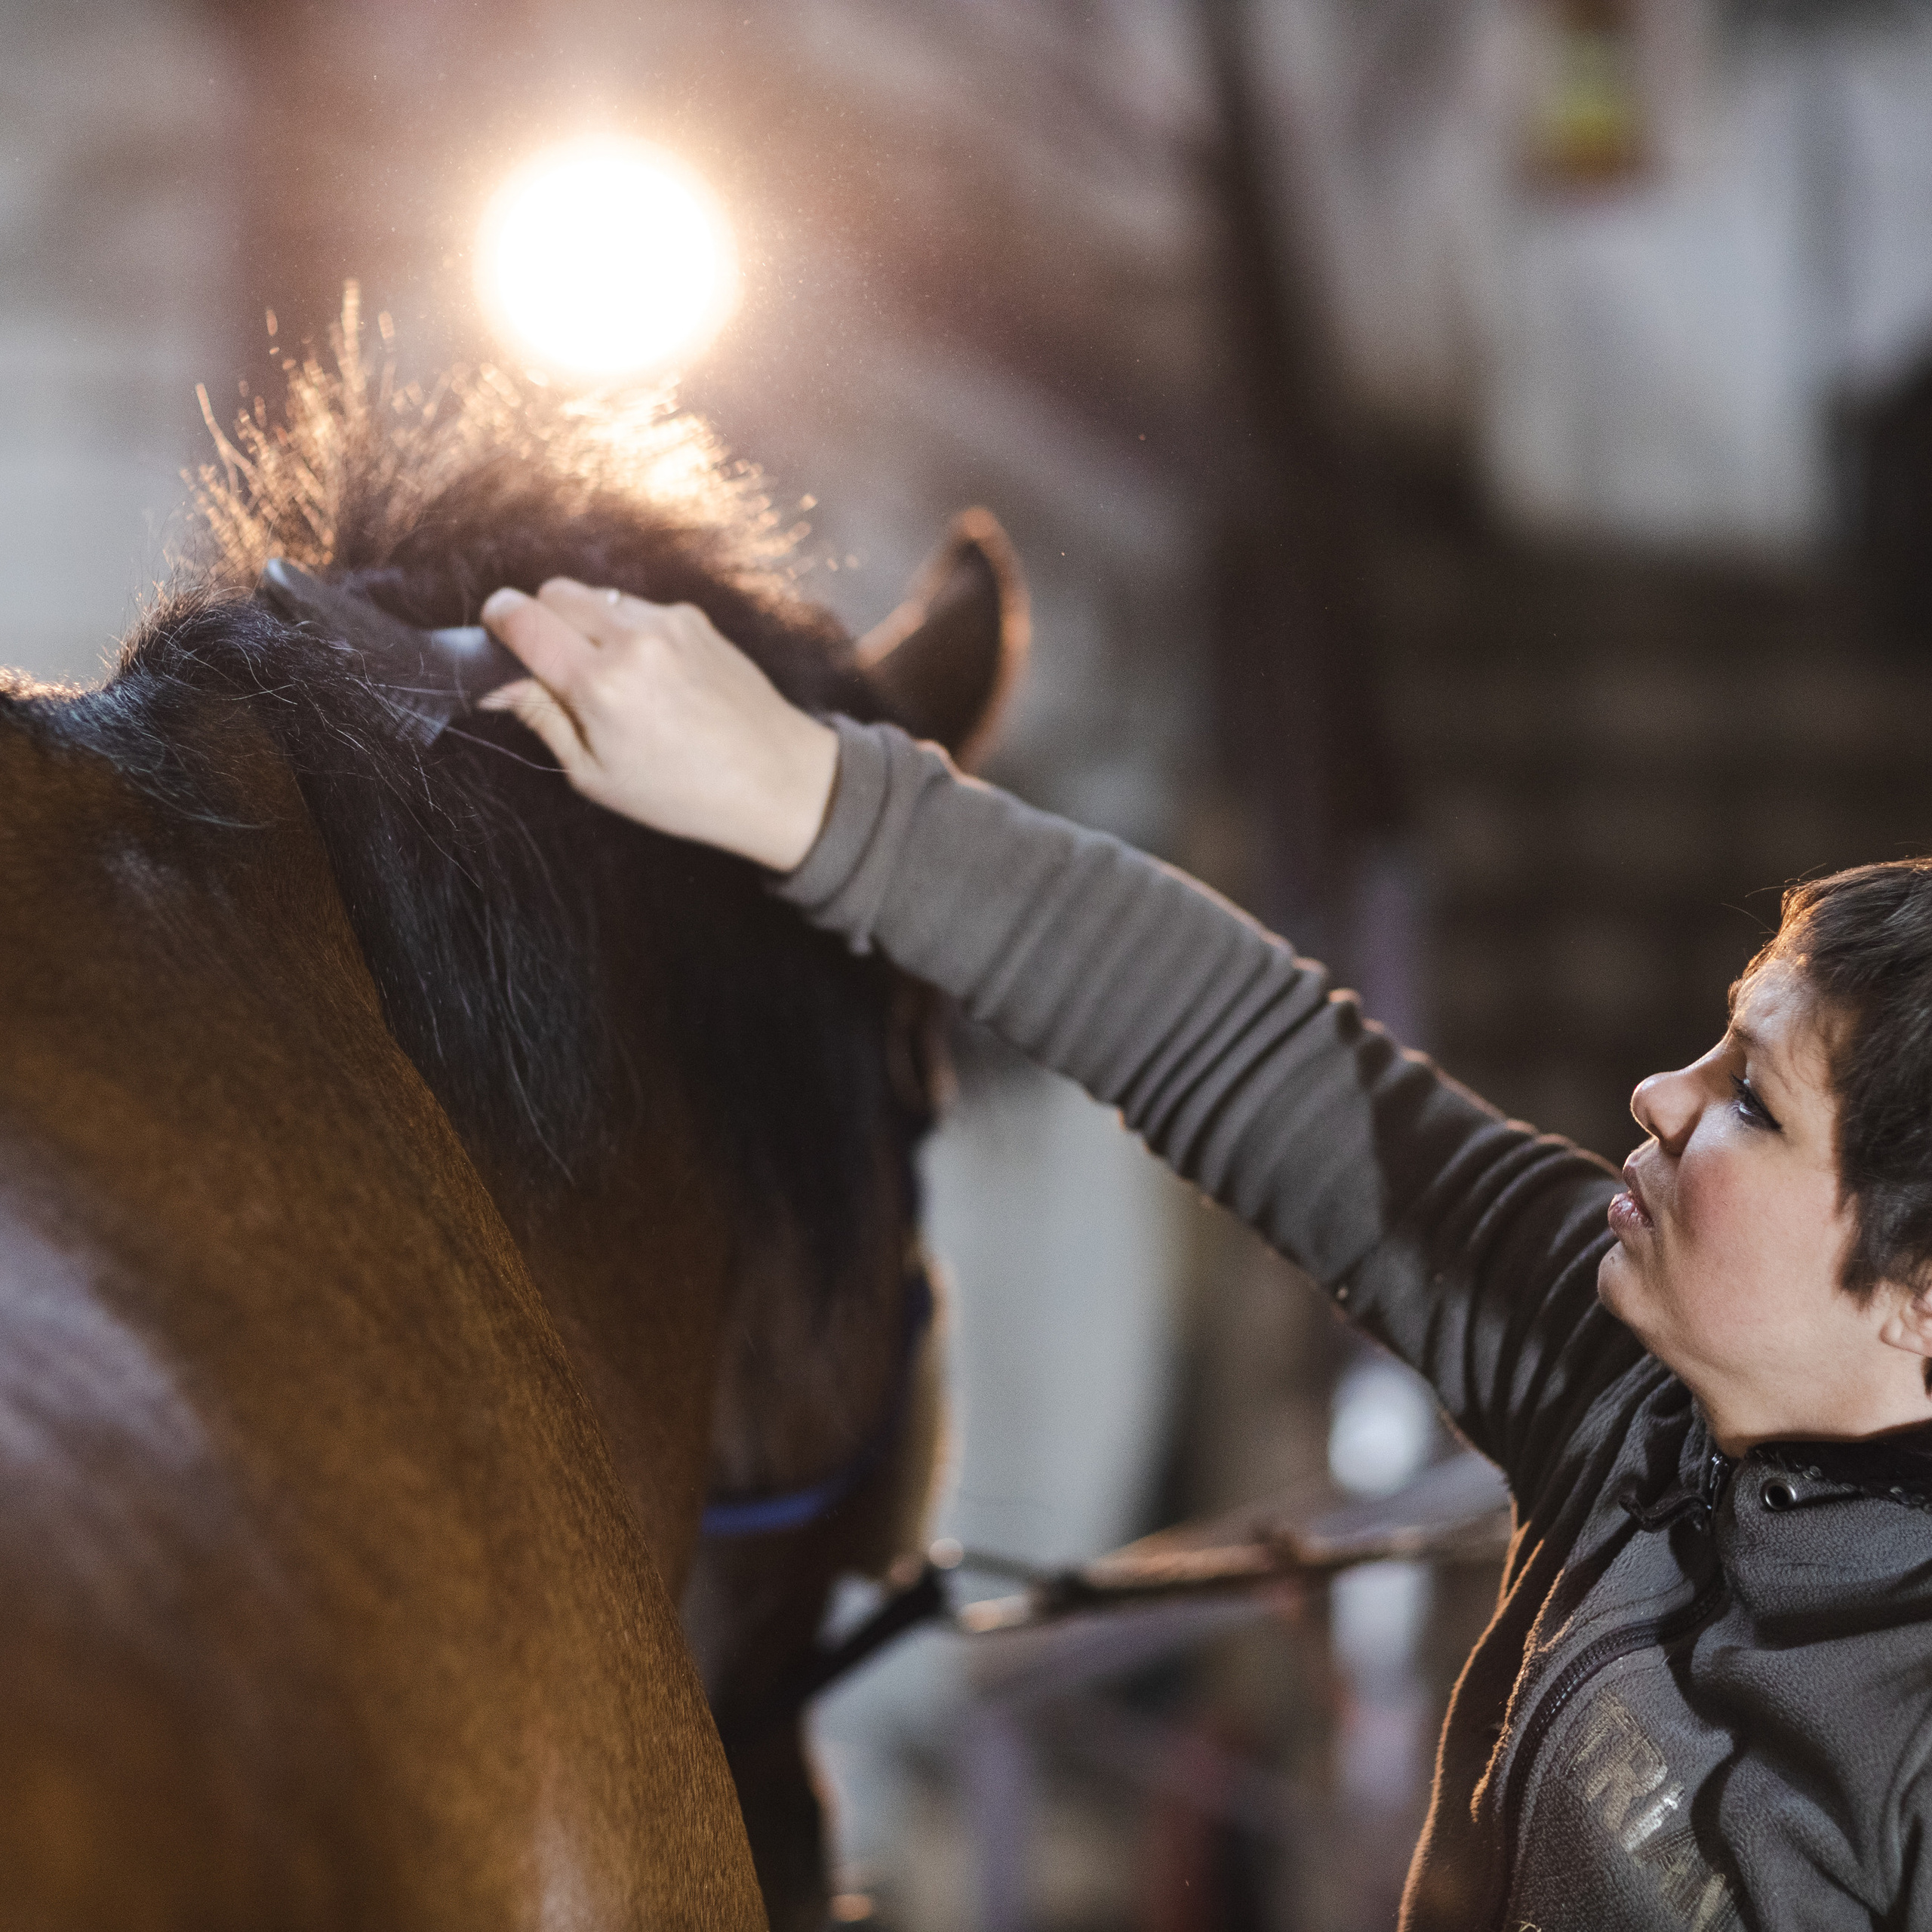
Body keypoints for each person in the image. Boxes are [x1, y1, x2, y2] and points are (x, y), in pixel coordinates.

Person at [478, 577, 1932, 1930]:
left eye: (1753, 1100)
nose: (1660, 1097)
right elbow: (1255, 1054)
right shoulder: (1635, 1403)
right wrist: (797, 787)